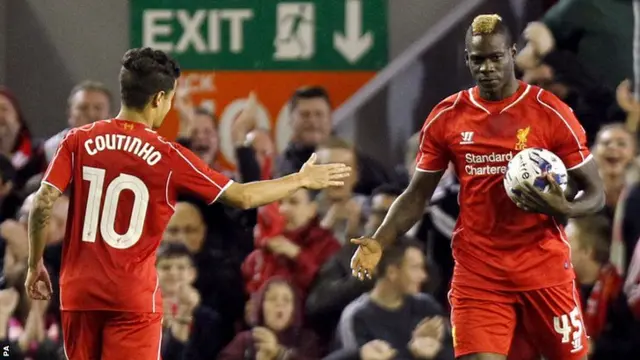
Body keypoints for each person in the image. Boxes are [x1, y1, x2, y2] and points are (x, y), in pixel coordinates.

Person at [24, 47, 350, 360]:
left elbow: (42, 203)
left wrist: (35, 262)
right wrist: (300, 180)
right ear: (159, 99)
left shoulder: (77, 140)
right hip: (131, 297)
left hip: (79, 291)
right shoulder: (168, 155)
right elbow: (243, 196)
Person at [350, 14, 605, 360]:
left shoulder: (551, 112)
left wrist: (565, 208)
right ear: (467, 59)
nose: (487, 68)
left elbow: (595, 191)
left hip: (543, 270)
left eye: (496, 57)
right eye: (477, 59)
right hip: (479, 273)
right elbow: (417, 194)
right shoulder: (448, 116)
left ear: (512, 53)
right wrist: (380, 240)